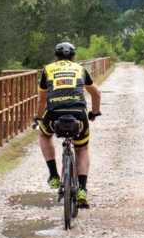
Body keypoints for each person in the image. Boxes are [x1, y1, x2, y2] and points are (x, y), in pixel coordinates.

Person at [37, 42, 101, 208]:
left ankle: (54, 175)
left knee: (44, 135)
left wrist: (37, 117)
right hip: (78, 115)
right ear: (73, 56)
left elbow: (42, 98)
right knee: (82, 148)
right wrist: (94, 112)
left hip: (54, 114)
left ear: (56, 56)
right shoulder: (80, 69)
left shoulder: (48, 69)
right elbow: (96, 93)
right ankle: (82, 189)